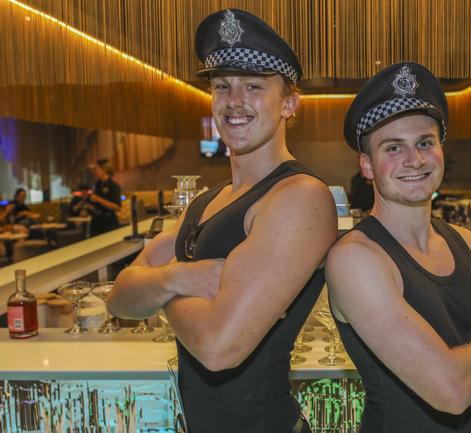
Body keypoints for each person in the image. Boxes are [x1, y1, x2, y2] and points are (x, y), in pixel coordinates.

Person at [108, 9, 337, 433]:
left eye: (253, 86)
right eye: (221, 86)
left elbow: (218, 347)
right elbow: (120, 300)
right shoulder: (206, 202)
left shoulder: (300, 196)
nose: (234, 101)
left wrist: (157, 287)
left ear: (288, 103)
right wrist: (179, 278)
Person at [327, 62, 471, 432]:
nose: (415, 159)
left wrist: (462, 369)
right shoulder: (356, 258)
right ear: (367, 166)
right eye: (393, 148)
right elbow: (452, 391)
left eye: (425, 142)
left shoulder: (466, 243)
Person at [88, 160, 122, 235]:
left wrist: (99, 199)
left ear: (104, 170)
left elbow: (117, 207)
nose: (94, 172)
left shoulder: (113, 186)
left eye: (96, 169)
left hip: (108, 222)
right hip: (95, 221)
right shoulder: (97, 185)